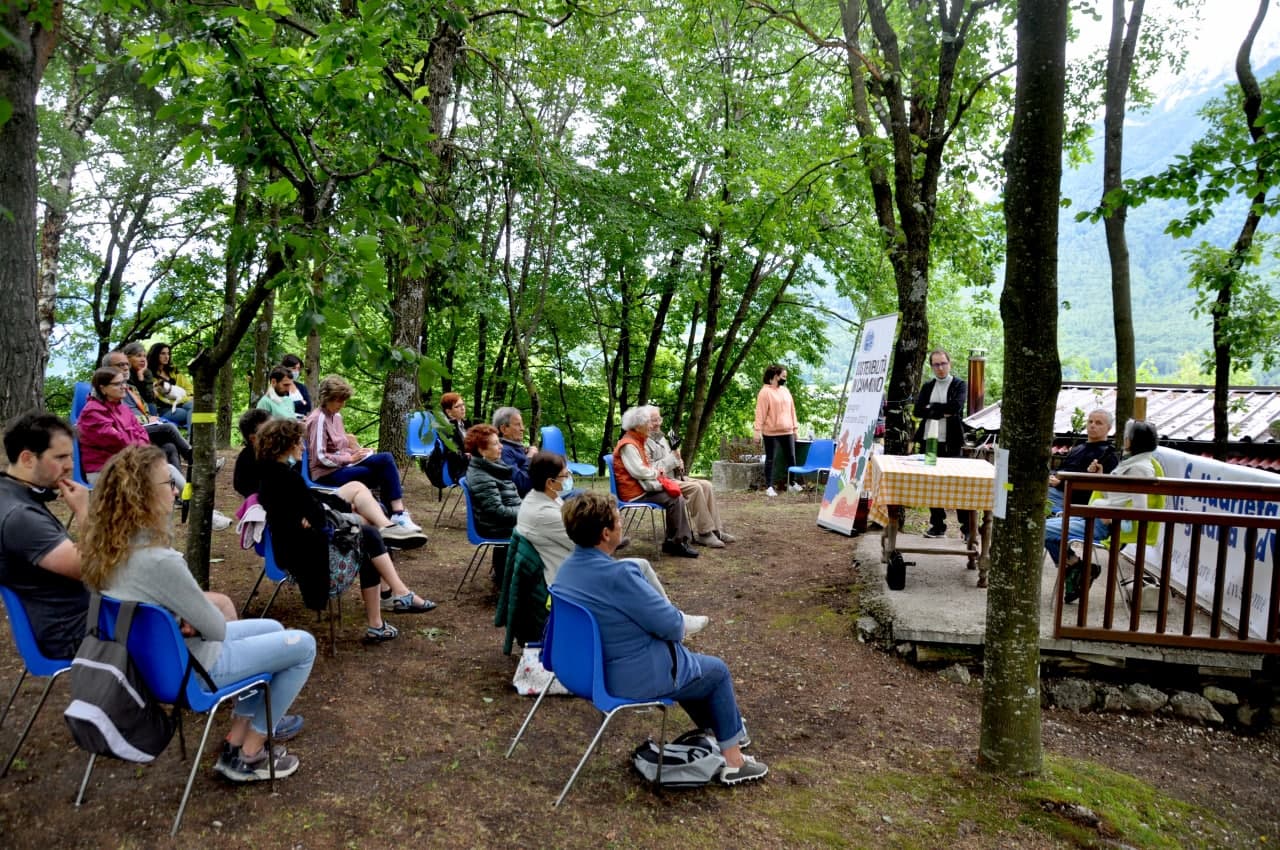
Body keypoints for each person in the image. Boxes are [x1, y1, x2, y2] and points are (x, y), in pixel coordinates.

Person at [79, 445, 315, 782]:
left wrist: (175, 618)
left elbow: (143, 607)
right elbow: (216, 629)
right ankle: (251, 754)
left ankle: (236, 741)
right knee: (303, 646)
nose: (176, 491)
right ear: (142, 495)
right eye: (168, 484)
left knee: (273, 627)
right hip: (192, 670)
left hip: (147, 664)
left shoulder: (105, 551)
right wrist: (190, 617)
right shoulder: (160, 560)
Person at [552, 492, 765, 784]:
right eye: (618, 521)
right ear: (605, 533)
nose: (621, 524)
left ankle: (726, 731)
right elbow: (673, 627)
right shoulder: (619, 576)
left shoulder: (566, 570)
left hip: (580, 670)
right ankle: (734, 762)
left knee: (692, 669)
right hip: (625, 678)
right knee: (715, 672)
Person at [256, 418, 433, 642]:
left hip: (295, 548)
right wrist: (325, 514)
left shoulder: (270, 473)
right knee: (369, 535)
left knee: (365, 526)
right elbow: (317, 517)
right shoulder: (287, 477)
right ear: (286, 444)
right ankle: (391, 601)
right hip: (307, 559)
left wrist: (319, 512)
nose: (302, 447)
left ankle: (391, 600)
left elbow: (309, 509)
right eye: (299, 442)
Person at [517, 451, 706, 634]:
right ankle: (671, 623)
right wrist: (609, 535)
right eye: (565, 475)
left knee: (640, 565)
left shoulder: (543, 498)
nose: (568, 478)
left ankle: (673, 618)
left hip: (574, 567)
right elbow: (587, 544)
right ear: (550, 482)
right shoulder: (543, 514)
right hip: (575, 580)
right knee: (631, 576)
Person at [0, 412, 91, 659]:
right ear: (28, 459)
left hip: (79, 618)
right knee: (168, 625)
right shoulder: (21, 517)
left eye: (71, 456)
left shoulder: (11, 493)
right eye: (60, 457)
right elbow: (91, 568)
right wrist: (84, 511)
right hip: (73, 631)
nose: (70, 466)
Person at [1043, 419, 1160, 604]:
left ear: (1133, 441)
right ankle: (1078, 566)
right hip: (1094, 516)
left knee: (1039, 529)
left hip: (1102, 525)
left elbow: (1140, 510)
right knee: (1043, 528)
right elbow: (1115, 496)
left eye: (1127, 436)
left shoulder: (1139, 468)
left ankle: (1078, 567)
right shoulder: (1132, 462)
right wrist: (1100, 476)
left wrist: (1112, 518)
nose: (1124, 439)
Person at [304, 374, 420, 532]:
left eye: (344, 400)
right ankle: (393, 517)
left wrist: (359, 451)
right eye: (338, 400)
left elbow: (340, 447)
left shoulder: (336, 416)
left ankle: (395, 515)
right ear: (326, 398)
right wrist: (350, 458)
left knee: (384, 460)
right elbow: (320, 457)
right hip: (326, 473)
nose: (342, 404)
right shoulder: (318, 419)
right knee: (379, 470)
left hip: (342, 466)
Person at [78, 367, 187, 489]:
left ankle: (188, 499)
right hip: (105, 470)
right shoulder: (93, 412)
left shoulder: (123, 408)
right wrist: (134, 436)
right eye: (117, 384)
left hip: (128, 463)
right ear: (102, 388)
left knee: (167, 464)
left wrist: (130, 436)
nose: (124, 387)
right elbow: (120, 443)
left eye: (124, 382)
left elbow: (142, 433)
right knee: (163, 474)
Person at [613, 406, 698, 558]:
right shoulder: (628, 444)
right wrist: (657, 473)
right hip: (635, 493)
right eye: (648, 423)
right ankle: (676, 543)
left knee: (675, 495)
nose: (651, 426)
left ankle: (674, 541)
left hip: (642, 487)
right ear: (638, 426)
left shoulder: (637, 440)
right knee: (675, 497)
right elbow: (638, 471)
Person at [645, 407, 734, 548]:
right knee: (695, 488)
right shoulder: (643, 441)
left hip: (673, 477)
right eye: (653, 420)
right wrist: (673, 459)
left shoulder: (661, 437)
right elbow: (651, 469)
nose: (658, 423)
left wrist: (678, 462)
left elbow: (670, 459)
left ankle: (716, 530)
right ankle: (705, 533)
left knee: (707, 485)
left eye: (659, 419)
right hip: (661, 482)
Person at [913, 348, 973, 539]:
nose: (940, 368)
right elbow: (917, 411)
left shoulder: (959, 384)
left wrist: (931, 408)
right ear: (931, 366)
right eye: (936, 364)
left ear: (949, 363)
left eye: (943, 363)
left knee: (959, 483)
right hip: (929, 442)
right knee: (931, 483)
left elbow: (955, 407)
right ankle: (937, 525)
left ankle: (967, 528)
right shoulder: (927, 386)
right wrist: (941, 411)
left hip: (952, 442)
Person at [101, 351, 195, 471]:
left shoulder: (130, 388)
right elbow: (118, 419)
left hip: (142, 427)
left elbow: (147, 403)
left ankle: (174, 482)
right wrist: (146, 419)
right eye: (120, 365)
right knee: (169, 428)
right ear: (108, 368)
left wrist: (150, 418)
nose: (125, 367)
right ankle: (196, 460)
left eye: (126, 364)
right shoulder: (108, 391)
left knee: (170, 447)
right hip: (129, 431)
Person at [1047, 409, 1119, 514]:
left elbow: (1099, 489)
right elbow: (1061, 469)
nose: (1092, 425)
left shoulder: (1108, 456)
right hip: (1058, 491)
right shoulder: (1077, 449)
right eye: (1090, 421)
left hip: (1077, 500)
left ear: (1108, 428)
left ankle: (1061, 514)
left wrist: (1060, 484)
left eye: (1098, 423)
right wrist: (1052, 476)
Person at [464, 424, 522, 540]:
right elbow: (498, 512)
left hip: (509, 522)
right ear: (482, 451)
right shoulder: (480, 477)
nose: (501, 446)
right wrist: (528, 512)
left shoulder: (493, 467)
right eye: (495, 444)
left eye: (499, 442)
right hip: (497, 527)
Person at [753, 364, 801, 497]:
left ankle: (792, 483)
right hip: (771, 432)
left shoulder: (785, 391)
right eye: (783, 376)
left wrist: (795, 428)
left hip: (788, 430)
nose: (785, 379)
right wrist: (757, 431)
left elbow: (792, 410)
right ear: (775, 376)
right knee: (771, 459)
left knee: (791, 458)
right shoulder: (765, 392)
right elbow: (760, 413)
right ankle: (769, 486)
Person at [146, 342, 193, 427]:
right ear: (155, 355)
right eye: (163, 353)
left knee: (195, 406)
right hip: (164, 410)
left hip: (181, 403)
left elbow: (189, 388)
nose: (167, 356)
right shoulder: (150, 376)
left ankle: (193, 434)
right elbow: (161, 398)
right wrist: (183, 399)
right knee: (185, 413)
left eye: (168, 354)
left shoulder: (174, 371)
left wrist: (185, 398)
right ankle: (191, 434)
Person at [493, 407, 536, 496]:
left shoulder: (513, 448)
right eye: (518, 424)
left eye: (522, 424)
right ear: (504, 429)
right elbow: (522, 485)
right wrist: (530, 458)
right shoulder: (503, 451)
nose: (522, 428)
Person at [233, 408, 273, 499]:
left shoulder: (273, 453)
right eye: (270, 432)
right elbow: (240, 484)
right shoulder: (247, 458)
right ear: (253, 438)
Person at [439, 392, 470, 482]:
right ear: (448, 412)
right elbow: (454, 455)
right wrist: (468, 456)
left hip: (472, 464)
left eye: (463, 404)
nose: (462, 408)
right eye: (457, 406)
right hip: (459, 469)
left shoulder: (466, 425)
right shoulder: (446, 430)